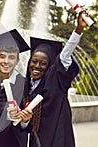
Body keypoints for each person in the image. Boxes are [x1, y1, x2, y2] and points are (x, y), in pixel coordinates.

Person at [20, 12, 87, 147]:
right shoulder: (27, 88)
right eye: (34, 61)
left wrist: (78, 30)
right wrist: (24, 121)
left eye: (43, 63)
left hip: (57, 140)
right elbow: (25, 127)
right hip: (36, 142)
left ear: (50, 66)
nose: (36, 66)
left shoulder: (56, 81)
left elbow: (65, 55)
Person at [0, 29, 30, 147]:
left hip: (11, 141)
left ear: (17, 61)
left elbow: (24, 123)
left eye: (11, 57)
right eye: (2, 56)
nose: (6, 61)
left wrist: (24, 120)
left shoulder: (23, 84)